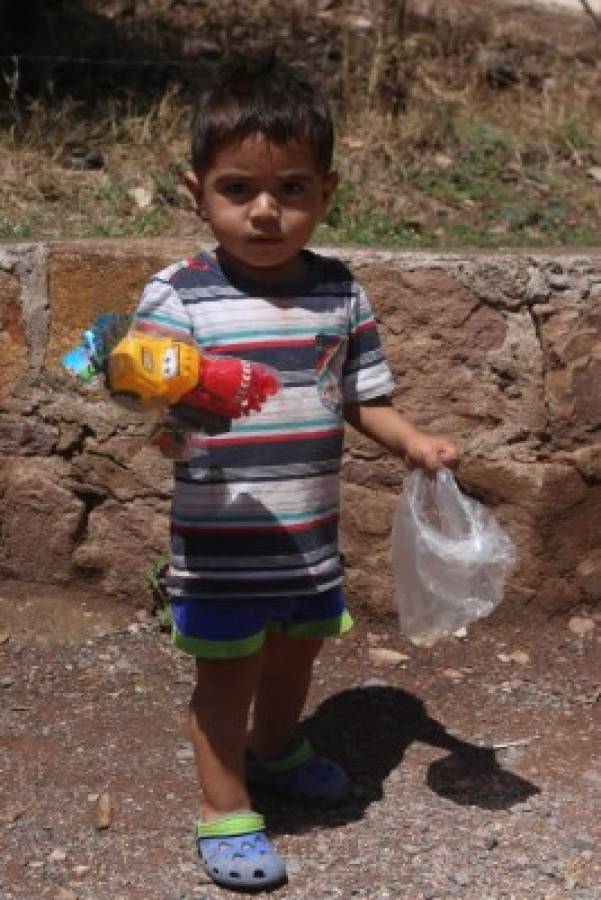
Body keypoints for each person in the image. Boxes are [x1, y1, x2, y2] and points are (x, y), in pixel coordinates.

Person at [132, 52, 458, 891]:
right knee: (228, 669)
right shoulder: (179, 294)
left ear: (327, 192)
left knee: (294, 657)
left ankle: (275, 748)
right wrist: (145, 377)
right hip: (220, 536)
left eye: (292, 190)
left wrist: (414, 443)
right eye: (238, 189)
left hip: (308, 532)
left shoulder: (340, 293)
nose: (266, 211)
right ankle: (224, 808)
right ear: (195, 189)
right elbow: (143, 384)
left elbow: (362, 397)